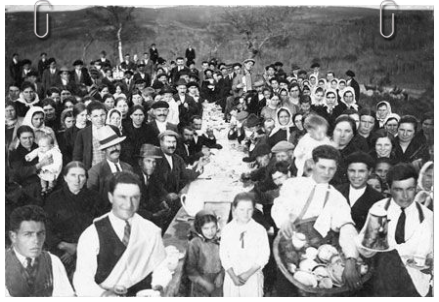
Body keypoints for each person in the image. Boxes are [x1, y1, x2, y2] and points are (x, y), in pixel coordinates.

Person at [272, 145, 362, 295]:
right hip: (287, 251)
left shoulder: (336, 198)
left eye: (331, 169)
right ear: (312, 164)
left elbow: (347, 227)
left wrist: (351, 259)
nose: (326, 173)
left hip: (317, 258)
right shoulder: (293, 184)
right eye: (322, 167)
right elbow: (279, 205)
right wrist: (284, 220)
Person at [74, 172, 172, 296]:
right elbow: (82, 281)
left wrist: (158, 288)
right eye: (122, 197)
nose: (129, 204)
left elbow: (161, 268)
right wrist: (105, 295)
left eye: (134, 197)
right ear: (110, 197)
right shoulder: (91, 235)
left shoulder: (150, 230)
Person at [358, 164, 433, 297]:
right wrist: (369, 244)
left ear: (416, 187)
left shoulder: (428, 217)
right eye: (398, 189)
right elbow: (365, 249)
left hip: (416, 286)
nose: (405, 196)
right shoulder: (379, 209)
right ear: (389, 189)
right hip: (381, 285)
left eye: (409, 189)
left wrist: (429, 262)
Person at [44, 161, 104, 277]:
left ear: (86, 178)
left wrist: (78, 248)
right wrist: (65, 246)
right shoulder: (53, 199)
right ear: (65, 177)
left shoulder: (96, 199)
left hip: (89, 251)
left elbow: (101, 227)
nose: (77, 180)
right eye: (73, 175)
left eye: (81, 176)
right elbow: (47, 227)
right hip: (61, 252)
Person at [6, 205, 74, 297]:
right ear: (13, 236)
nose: (36, 240)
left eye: (41, 234)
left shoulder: (53, 261)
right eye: (28, 234)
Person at [219, 192, 270, 297]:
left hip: (252, 277)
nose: (245, 214)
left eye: (249, 209)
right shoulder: (227, 229)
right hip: (232, 277)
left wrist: (247, 274)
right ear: (234, 209)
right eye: (241, 209)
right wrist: (233, 276)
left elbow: (264, 255)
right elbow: (223, 255)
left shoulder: (260, 230)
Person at [87, 126, 133, 209]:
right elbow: (91, 200)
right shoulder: (95, 171)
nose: (115, 148)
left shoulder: (128, 168)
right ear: (104, 150)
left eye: (117, 144)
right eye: (110, 146)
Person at [335, 152, 383, 231]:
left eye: (361, 171)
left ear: (370, 172)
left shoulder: (378, 199)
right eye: (352, 171)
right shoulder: (336, 192)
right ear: (347, 171)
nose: (356, 175)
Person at [186, 210, 224, 297]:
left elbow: (225, 260)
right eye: (206, 228)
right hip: (200, 282)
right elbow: (190, 269)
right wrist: (204, 283)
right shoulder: (195, 243)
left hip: (217, 280)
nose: (210, 232)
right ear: (199, 228)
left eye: (213, 227)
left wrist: (221, 274)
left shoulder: (219, 241)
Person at [73, 101, 120, 170]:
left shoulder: (114, 129)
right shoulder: (83, 133)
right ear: (89, 117)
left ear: (106, 114)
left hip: (112, 170)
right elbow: (77, 156)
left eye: (102, 115)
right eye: (95, 116)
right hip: (92, 171)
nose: (100, 119)